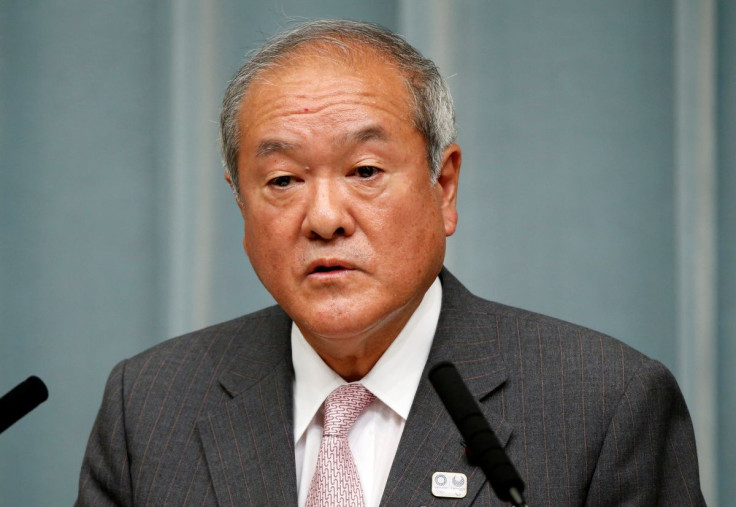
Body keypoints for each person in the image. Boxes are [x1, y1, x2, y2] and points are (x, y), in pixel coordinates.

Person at [76, 19, 705, 506]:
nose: (324, 218)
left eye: (366, 171)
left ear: (445, 187)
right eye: (283, 180)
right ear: (239, 202)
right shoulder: (151, 403)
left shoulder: (603, 403)